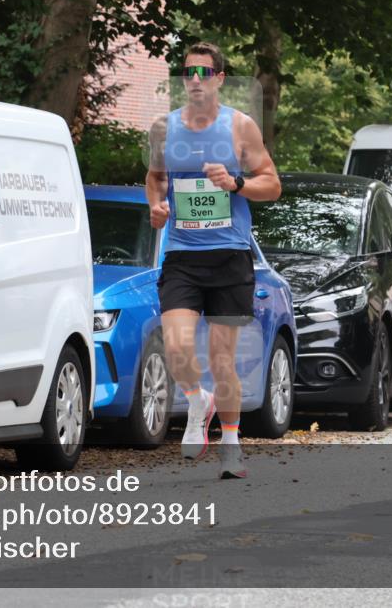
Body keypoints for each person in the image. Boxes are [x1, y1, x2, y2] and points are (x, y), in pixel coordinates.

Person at [146, 41, 281, 479]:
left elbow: (272, 185)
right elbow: (155, 179)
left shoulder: (240, 128)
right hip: (182, 254)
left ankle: (231, 445)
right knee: (177, 346)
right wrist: (157, 207)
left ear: (220, 79)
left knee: (222, 359)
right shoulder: (164, 129)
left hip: (229, 257)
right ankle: (196, 399)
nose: (196, 81)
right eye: (189, 73)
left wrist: (236, 183)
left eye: (205, 73)